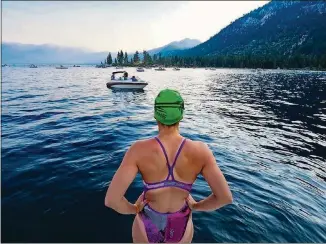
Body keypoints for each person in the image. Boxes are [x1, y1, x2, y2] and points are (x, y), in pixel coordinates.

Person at [105, 89, 233, 243]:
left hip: (147, 221)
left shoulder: (138, 150)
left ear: (155, 114)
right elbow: (224, 197)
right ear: (181, 114)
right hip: (181, 222)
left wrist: (134, 208)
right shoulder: (201, 151)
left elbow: (112, 200)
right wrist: (196, 206)